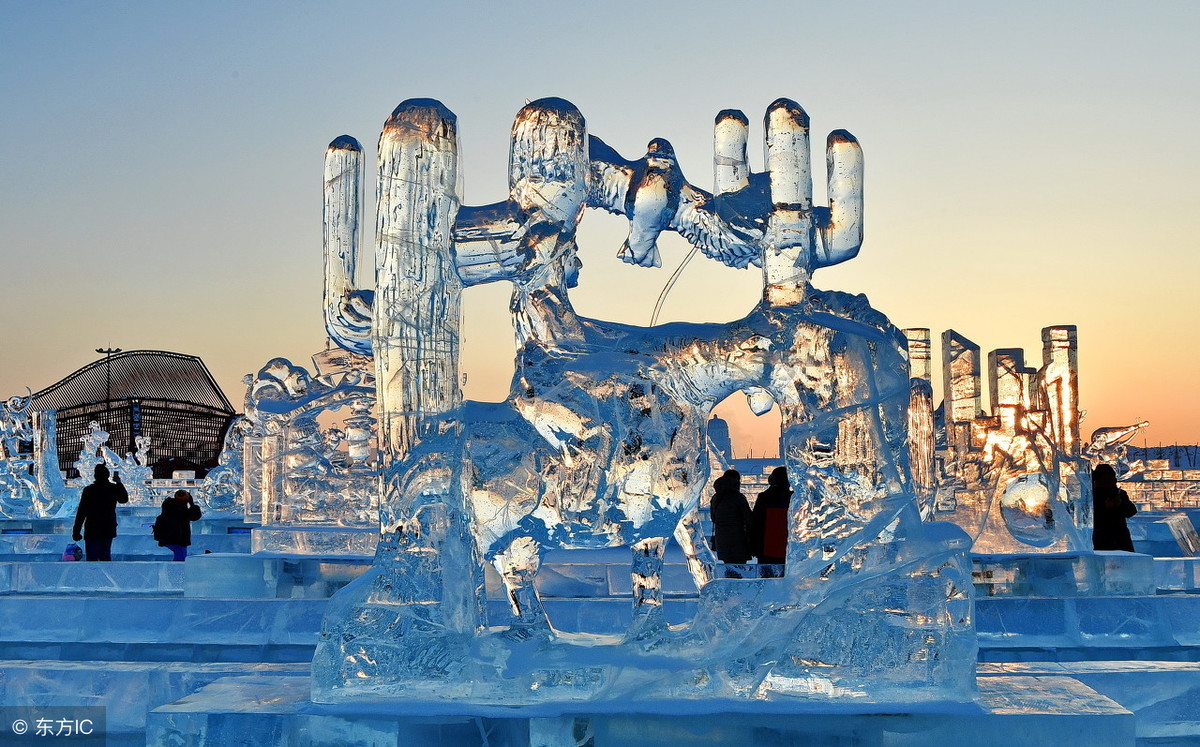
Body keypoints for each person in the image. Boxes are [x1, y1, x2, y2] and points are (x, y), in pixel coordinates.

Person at [71, 463, 129, 561]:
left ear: (95, 476)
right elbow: (124, 499)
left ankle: (92, 575)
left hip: (92, 528)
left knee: (91, 557)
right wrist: (119, 483)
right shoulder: (112, 488)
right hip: (107, 527)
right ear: (107, 475)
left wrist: (76, 531)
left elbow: (81, 512)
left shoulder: (89, 490)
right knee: (105, 556)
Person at [751, 466, 793, 577]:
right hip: (787, 547)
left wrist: (754, 546)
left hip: (765, 547)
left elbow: (755, 523)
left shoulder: (763, 497)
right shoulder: (792, 498)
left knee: (765, 580)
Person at [709, 469, 751, 578]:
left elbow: (713, 518)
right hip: (738, 537)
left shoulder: (715, 498)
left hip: (721, 538)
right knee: (739, 567)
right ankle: (739, 590)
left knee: (728, 566)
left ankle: (729, 588)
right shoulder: (738, 497)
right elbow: (748, 517)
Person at [1092, 463, 1137, 552]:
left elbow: (1131, 511)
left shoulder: (1119, 493)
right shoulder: (1092, 495)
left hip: (1120, 537)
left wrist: (1120, 504)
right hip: (1101, 537)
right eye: (1106, 479)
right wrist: (1106, 507)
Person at [155, 489, 203, 561]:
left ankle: (175, 571)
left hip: (168, 538)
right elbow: (195, 516)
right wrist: (191, 503)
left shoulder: (168, 506)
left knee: (180, 557)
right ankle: (176, 572)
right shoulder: (181, 510)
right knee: (180, 560)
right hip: (178, 540)